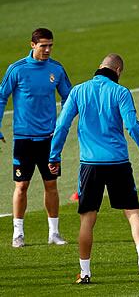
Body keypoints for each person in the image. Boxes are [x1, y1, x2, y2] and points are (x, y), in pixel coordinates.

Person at [49, 54, 139, 284]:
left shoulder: (78, 91)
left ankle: (86, 272)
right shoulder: (121, 92)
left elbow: (62, 124)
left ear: (100, 67)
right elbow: (132, 126)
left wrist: (54, 155)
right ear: (117, 70)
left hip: (90, 165)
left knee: (87, 220)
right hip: (118, 163)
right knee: (133, 213)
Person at [0, 28, 71, 248]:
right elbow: (2, 97)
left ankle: (54, 233)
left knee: (51, 185)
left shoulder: (56, 69)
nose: (48, 49)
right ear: (32, 45)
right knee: (21, 186)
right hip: (23, 139)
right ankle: (18, 234)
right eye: (43, 45)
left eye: (50, 45)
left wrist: (62, 124)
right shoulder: (17, 69)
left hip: (49, 139)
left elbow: (68, 97)